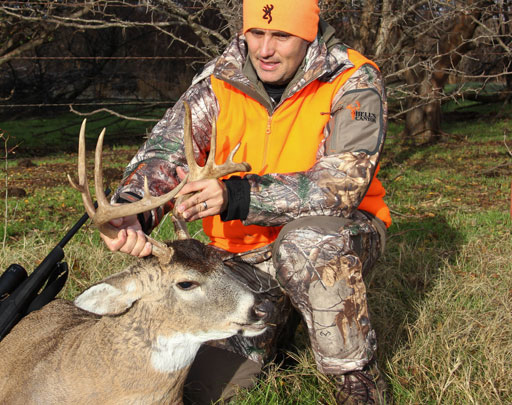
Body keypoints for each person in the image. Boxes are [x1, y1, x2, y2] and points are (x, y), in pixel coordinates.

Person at [101, 1, 392, 403]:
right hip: (239, 255)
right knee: (202, 390)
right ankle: (281, 321)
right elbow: (164, 153)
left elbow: (340, 185)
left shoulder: (352, 78)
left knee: (307, 244)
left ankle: (356, 378)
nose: (265, 49)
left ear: (308, 35)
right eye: (256, 33)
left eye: (282, 36)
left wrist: (237, 196)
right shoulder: (220, 80)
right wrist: (135, 209)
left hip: (333, 236)